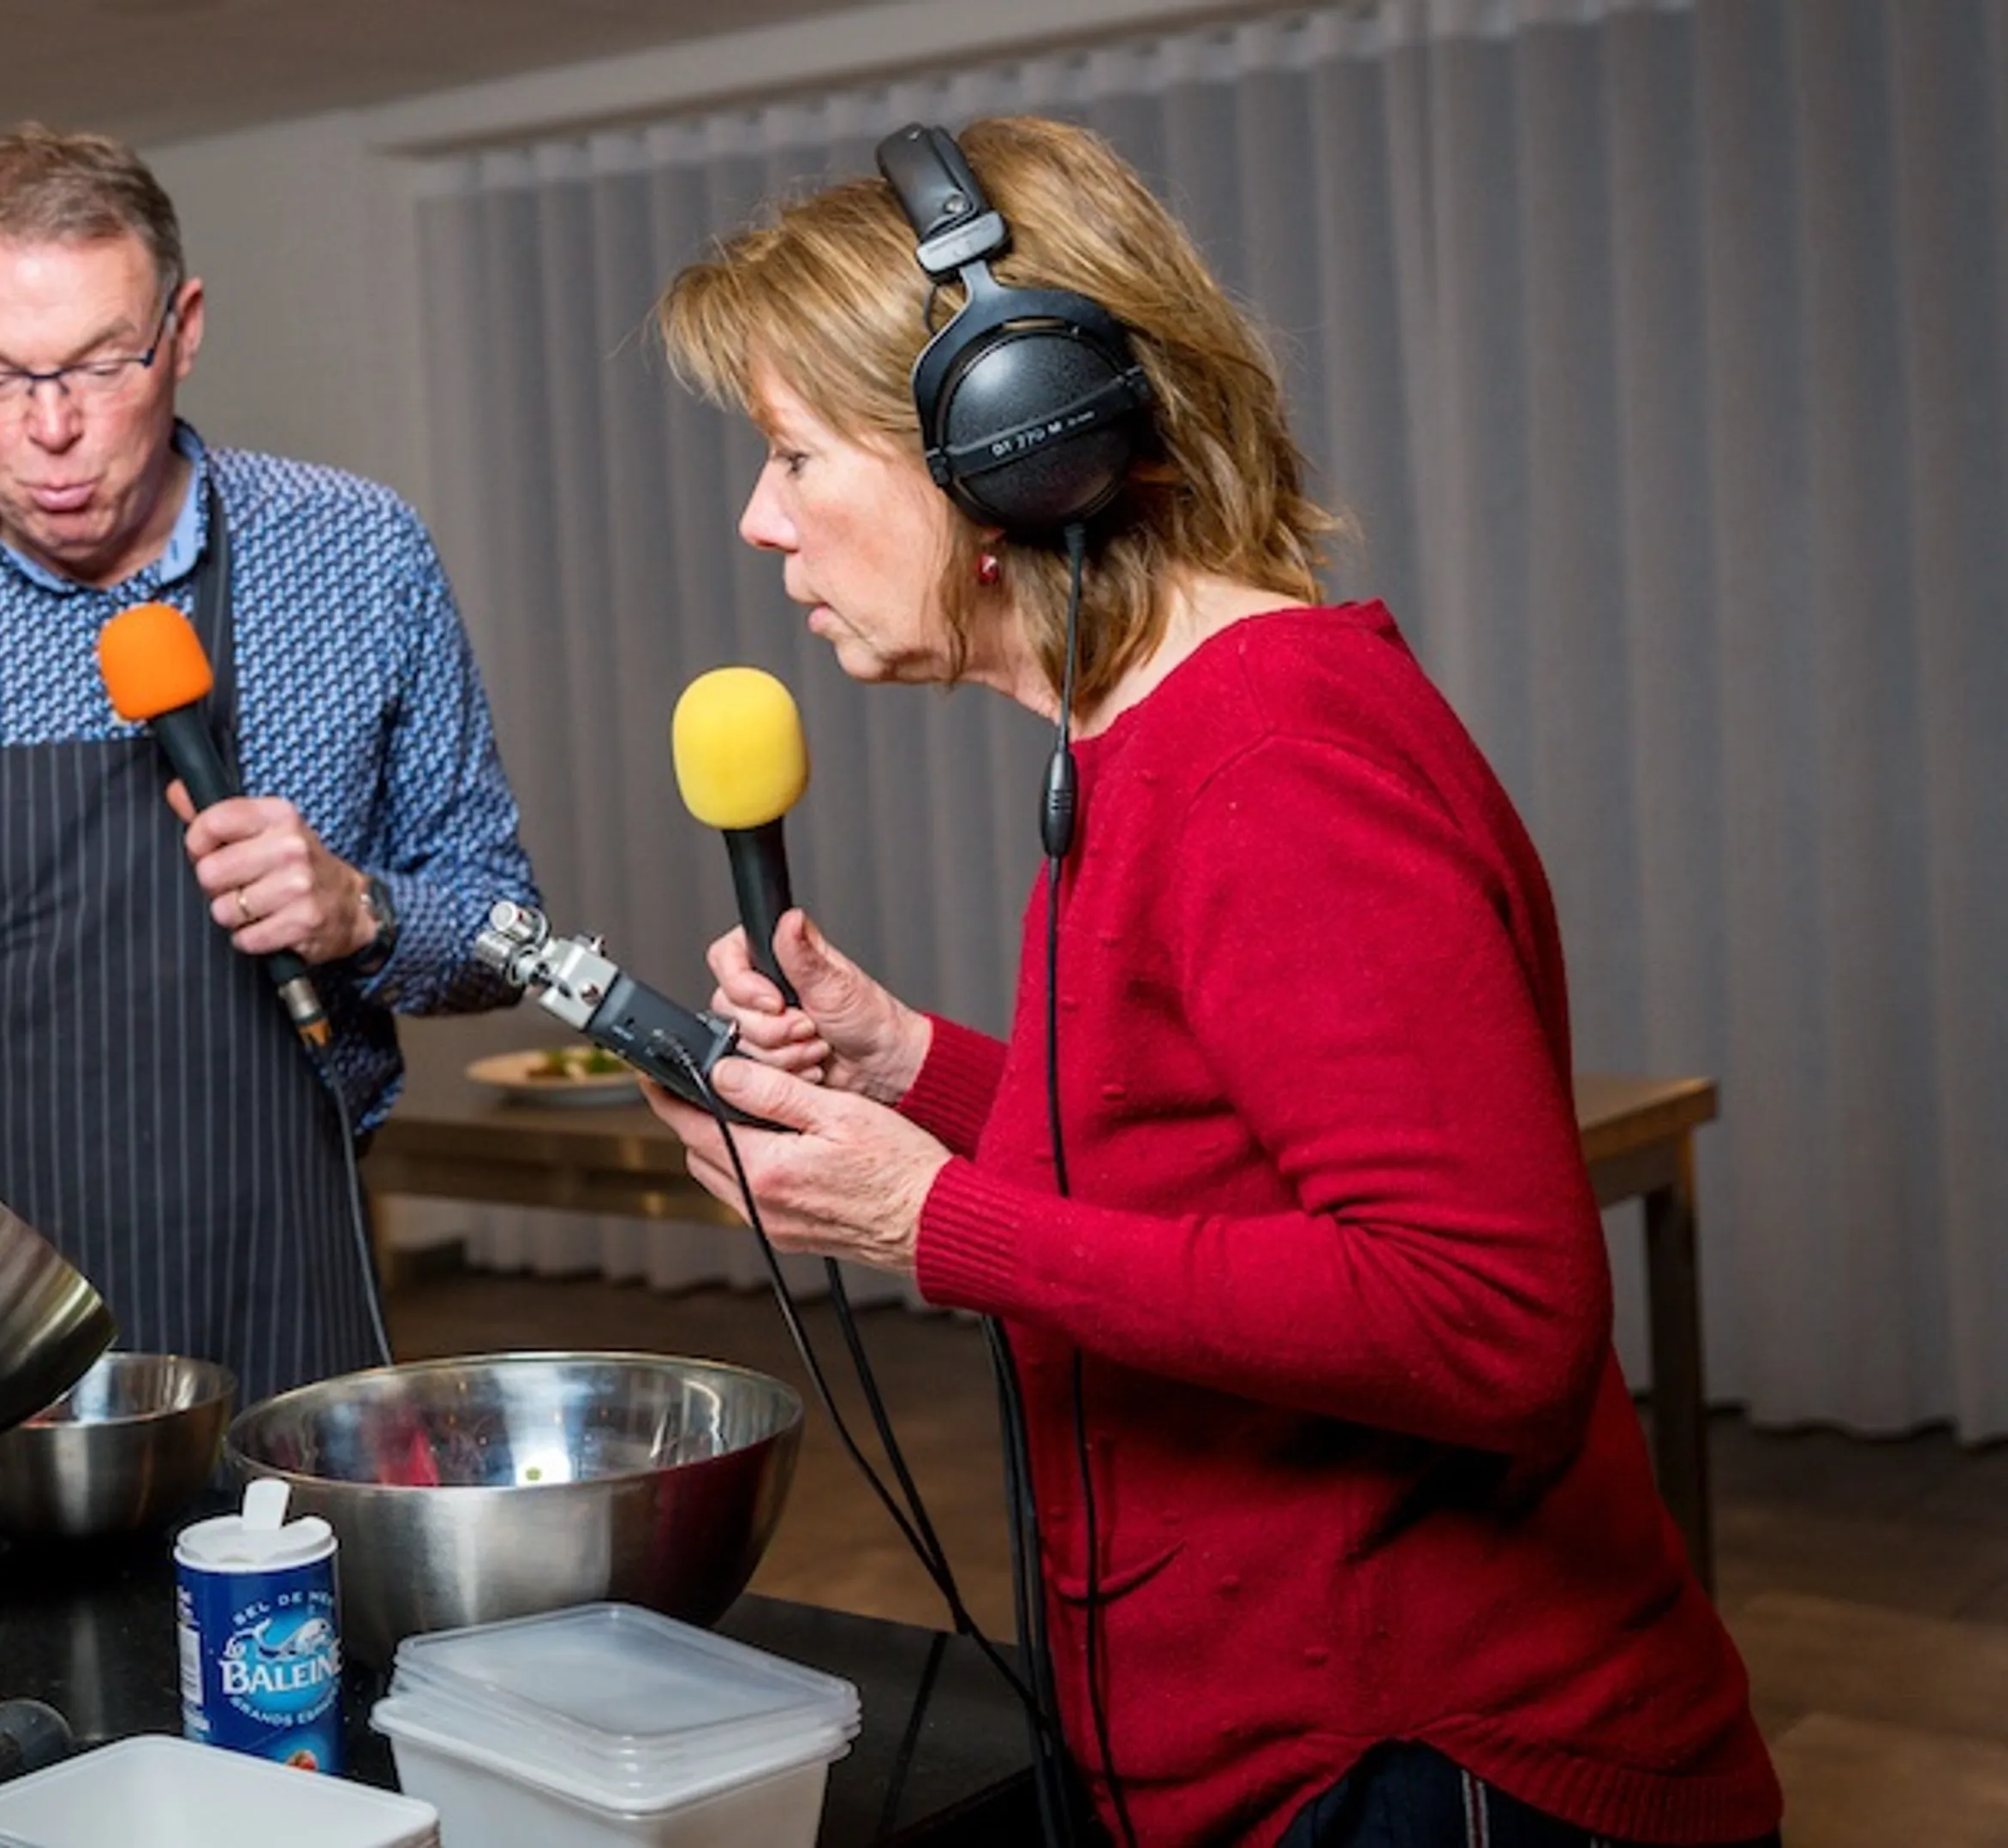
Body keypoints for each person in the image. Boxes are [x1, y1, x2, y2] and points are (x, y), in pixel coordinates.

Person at [644, 118, 1781, 1847]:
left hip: (1436, 1770)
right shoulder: (1165, 738)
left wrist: (932, 1219)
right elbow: (1192, 1147)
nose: (758, 518)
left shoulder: (1276, 755)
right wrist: (913, 1065)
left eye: (797, 456)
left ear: (1010, 450)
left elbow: (1488, 1316)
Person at [0, 124, 536, 1405]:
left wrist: (362, 912)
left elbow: (505, 929)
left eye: (98, 365)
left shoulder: (355, 554)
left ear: (183, 329)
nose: (51, 430)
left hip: (274, 1289)